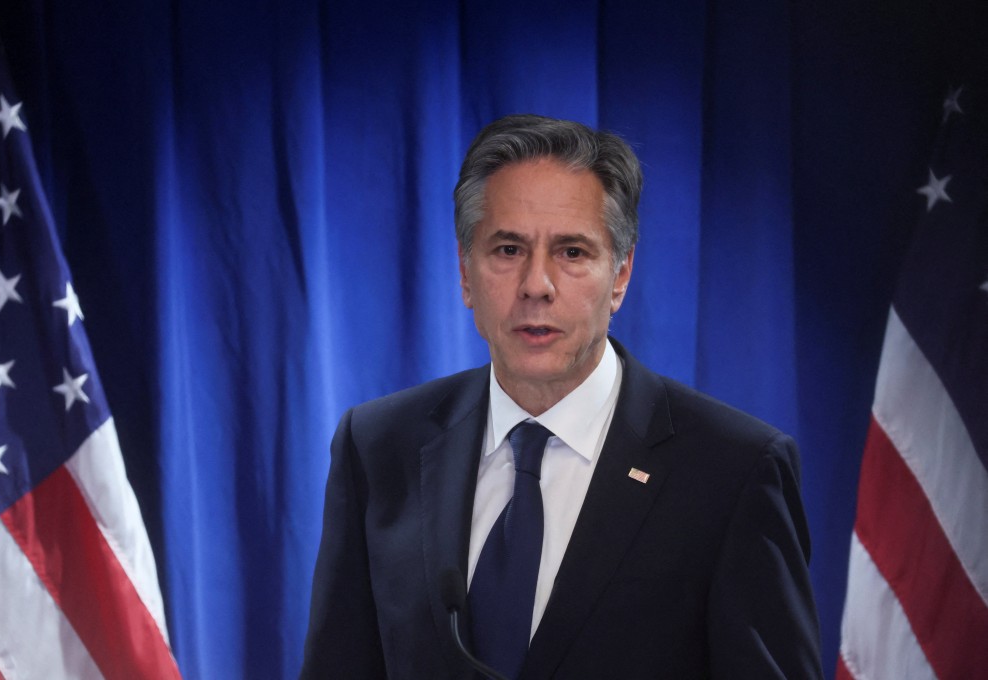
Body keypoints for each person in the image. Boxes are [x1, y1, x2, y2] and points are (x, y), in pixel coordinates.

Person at [301, 114, 822, 679]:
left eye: (572, 252)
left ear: (620, 274)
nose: (536, 285)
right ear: (465, 273)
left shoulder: (733, 470)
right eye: (507, 249)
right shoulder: (378, 446)